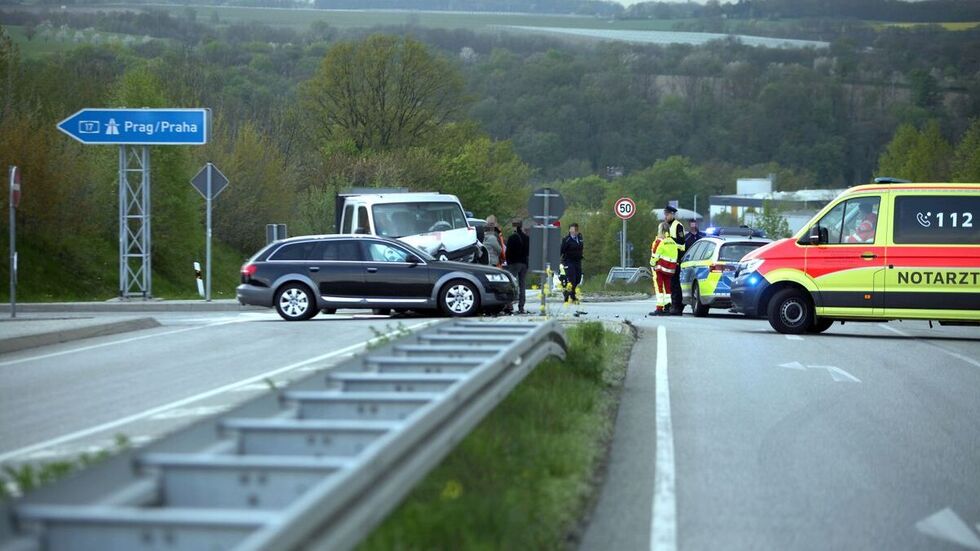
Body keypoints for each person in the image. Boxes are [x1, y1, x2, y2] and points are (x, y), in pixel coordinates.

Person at [648, 221, 680, 316]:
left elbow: (655, 255)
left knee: (659, 288)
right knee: (668, 289)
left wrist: (652, 263)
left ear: (660, 230)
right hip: (670, 269)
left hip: (660, 268)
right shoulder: (672, 242)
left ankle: (659, 308)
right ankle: (667, 307)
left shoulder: (659, 242)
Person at [662, 205, 686, 315]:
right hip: (668, 259)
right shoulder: (666, 226)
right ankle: (671, 306)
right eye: (665, 214)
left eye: (667, 214)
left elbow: (681, 242)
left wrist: (669, 239)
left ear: (672, 214)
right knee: (670, 284)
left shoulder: (678, 226)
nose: (665, 217)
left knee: (675, 284)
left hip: (676, 259)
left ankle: (677, 307)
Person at [505, 219, 529, 314]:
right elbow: (528, 252)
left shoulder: (511, 238)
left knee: (510, 284)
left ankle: (509, 305)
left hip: (514, 263)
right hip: (524, 264)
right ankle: (521, 306)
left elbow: (508, 252)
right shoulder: (527, 238)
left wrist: (508, 262)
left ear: (514, 227)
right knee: (522, 285)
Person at [560, 223, 584, 303]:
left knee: (578, 279)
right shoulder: (566, 239)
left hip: (577, 261)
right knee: (572, 279)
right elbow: (561, 250)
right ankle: (571, 296)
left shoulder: (580, 238)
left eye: (576, 230)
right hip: (569, 261)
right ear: (570, 230)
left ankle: (567, 292)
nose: (575, 231)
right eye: (574, 230)